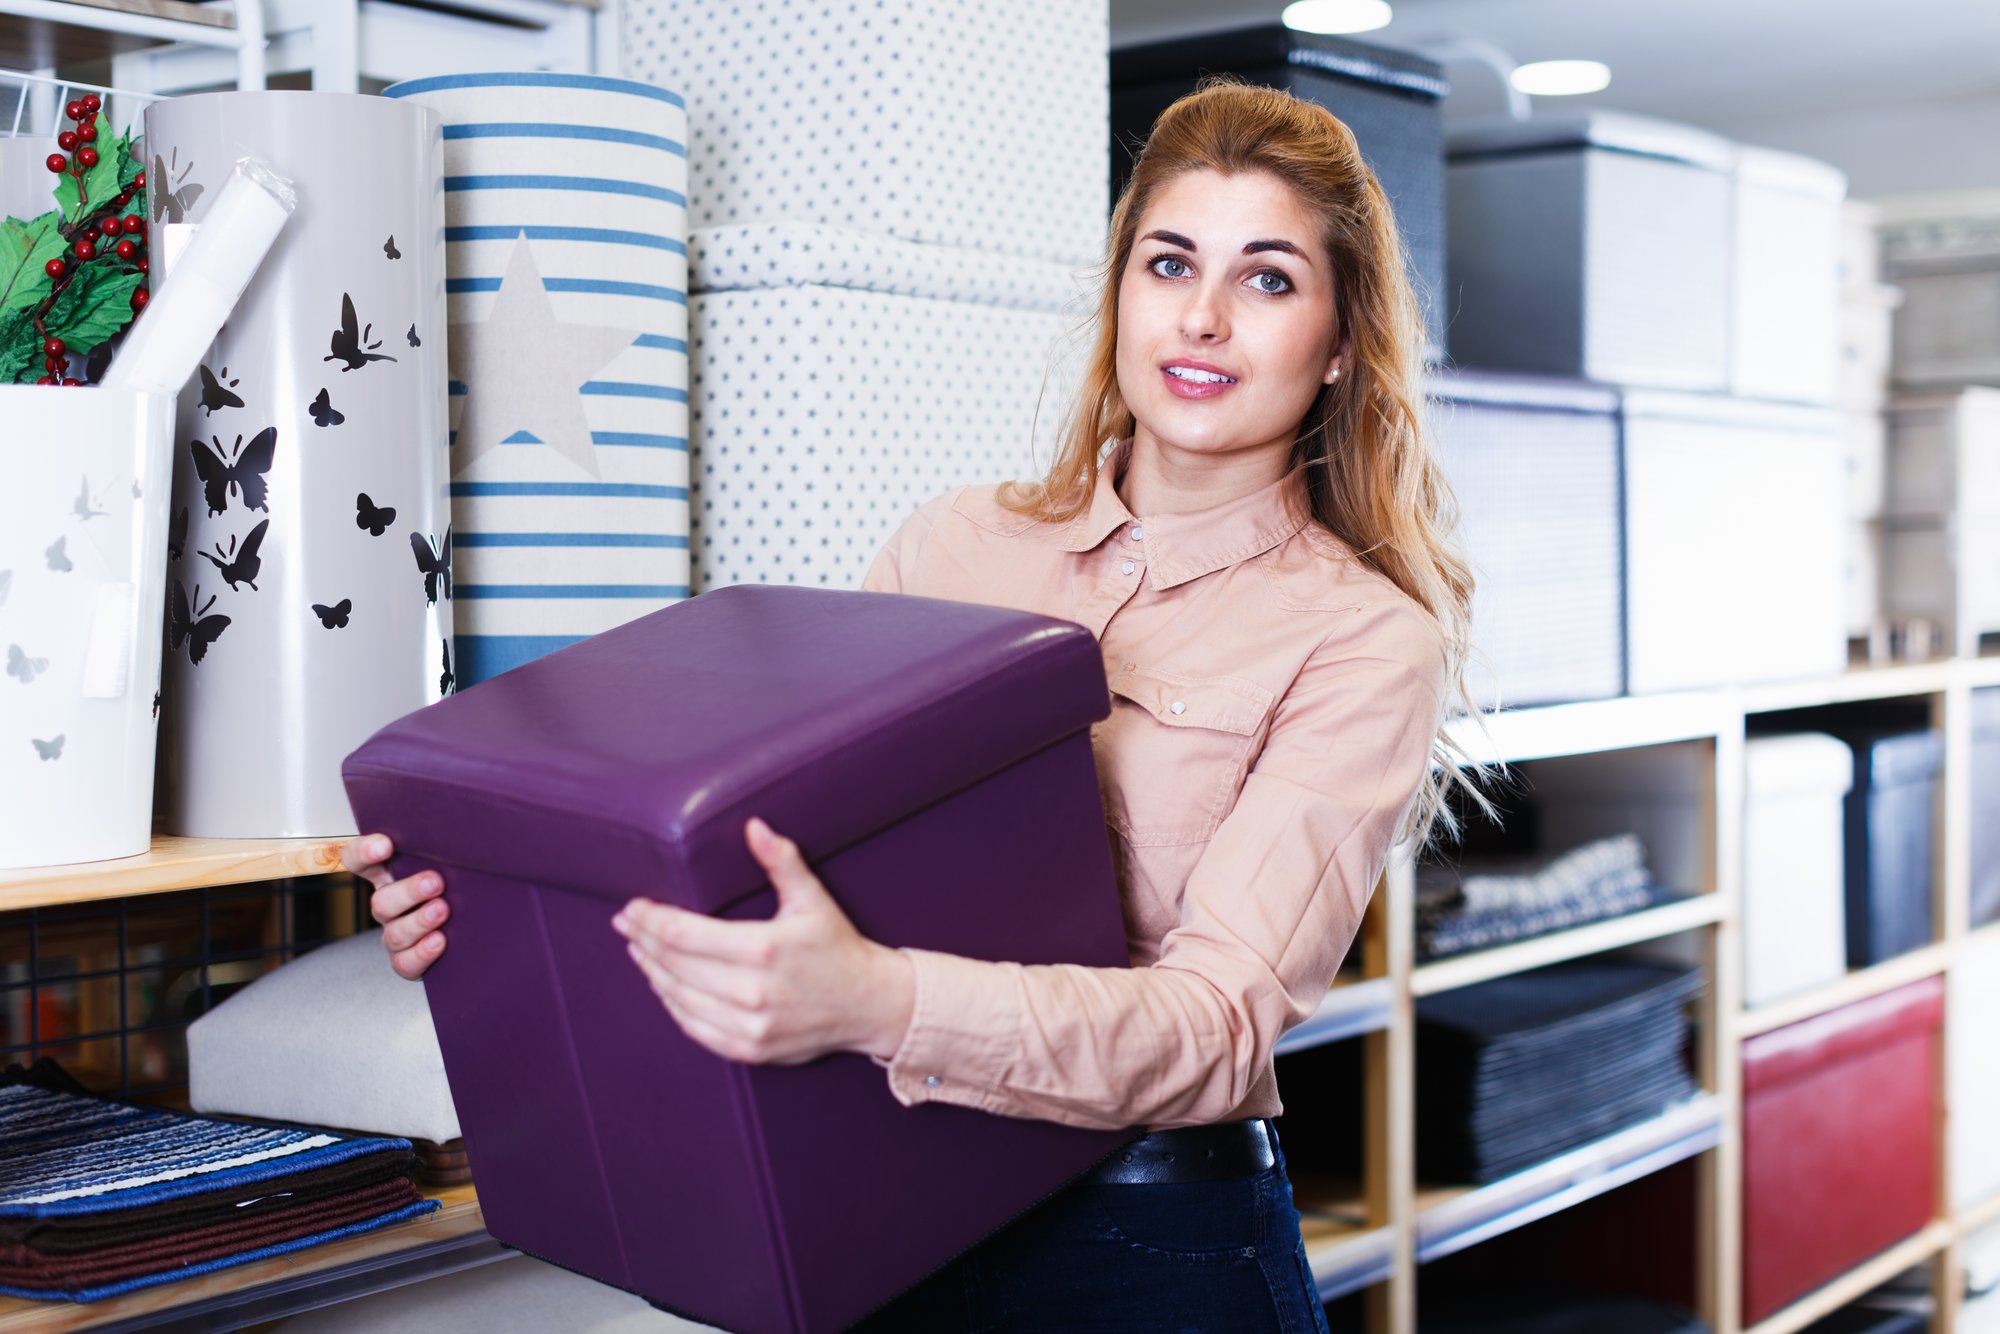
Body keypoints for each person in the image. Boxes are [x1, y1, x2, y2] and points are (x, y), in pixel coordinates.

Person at [341, 77, 1485, 1332]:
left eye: (1266, 280)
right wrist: (499, 917)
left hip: (1148, 1251)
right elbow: (784, 862)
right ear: (1118, 295)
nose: (1202, 316)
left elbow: (1214, 1027)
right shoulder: (952, 542)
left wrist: (879, 1001)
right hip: (881, 1217)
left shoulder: (1364, 638)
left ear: (1335, 346)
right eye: (1168, 263)